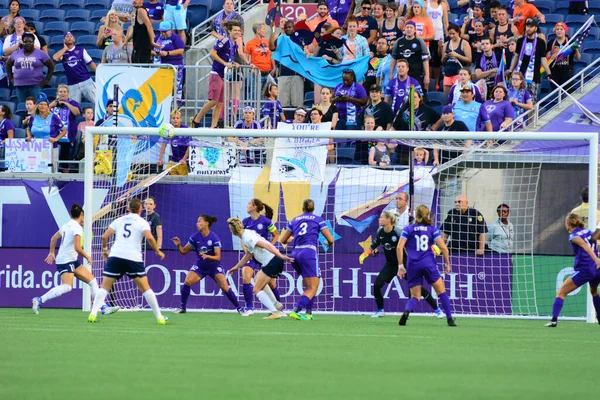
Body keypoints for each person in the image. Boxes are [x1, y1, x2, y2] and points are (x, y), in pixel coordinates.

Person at [88, 198, 167, 324]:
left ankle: (93, 314)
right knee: (146, 288)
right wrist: (158, 251)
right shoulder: (142, 222)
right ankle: (159, 317)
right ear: (141, 209)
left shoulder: (119, 220)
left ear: (128, 209)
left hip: (116, 256)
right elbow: (150, 238)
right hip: (133, 258)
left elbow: (104, 236)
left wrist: (105, 250)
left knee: (104, 287)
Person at [32, 204, 119, 315]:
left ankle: (103, 307)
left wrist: (52, 252)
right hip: (66, 260)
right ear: (82, 214)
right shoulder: (77, 228)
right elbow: (77, 247)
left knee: (92, 280)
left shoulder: (67, 225)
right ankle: (39, 300)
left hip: (71, 260)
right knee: (67, 287)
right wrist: (87, 256)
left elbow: (53, 238)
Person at [397, 205, 456, 327]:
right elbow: (444, 247)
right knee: (441, 291)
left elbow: (399, 247)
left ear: (416, 215)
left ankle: (407, 312)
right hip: (428, 264)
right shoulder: (432, 230)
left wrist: (400, 265)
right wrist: (447, 264)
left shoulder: (408, 229)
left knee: (415, 296)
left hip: (413, 264)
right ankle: (450, 319)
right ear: (428, 215)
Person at [172, 215, 243, 314]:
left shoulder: (214, 238)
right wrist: (179, 245)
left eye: (199, 221)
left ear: (206, 223)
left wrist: (207, 256)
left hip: (214, 266)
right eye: (197, 222)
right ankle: (182, 307)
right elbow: (183, 251)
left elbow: (218, 257)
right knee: (187, 281)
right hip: (200, 266)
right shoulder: (195, 237)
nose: (197, 223)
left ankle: (239, 308)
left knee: (225, 287)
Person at [279, 199, 335, 321]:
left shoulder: (295, 220)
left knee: (312, 283)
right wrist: (328, 244)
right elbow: (331, 240)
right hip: (308, 252)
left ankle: (309, 313)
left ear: (302, 208)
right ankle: (296, 310)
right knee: (312, 287)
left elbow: (283, 240)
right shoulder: (318, 219)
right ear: (313, 208)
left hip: (295, 253)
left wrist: (294, 239)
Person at [227, 218, 293, 319]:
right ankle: (275, 304)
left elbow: (267, 245)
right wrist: (236, 267)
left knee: (257, 289)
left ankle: (275, 312)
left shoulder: (247, 238)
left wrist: (281, 256)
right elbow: (248, 255)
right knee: (257, 279)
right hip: (271, 261)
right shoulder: (246, 233)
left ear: (233, 231)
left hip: (272, 261)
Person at [546, 213, 600, 327]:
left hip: (586, 269)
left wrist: (596, 259)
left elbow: (586, 246)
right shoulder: (588, 231)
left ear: (567, 223)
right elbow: (594, 242)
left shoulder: (574, 236)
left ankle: (554, 320)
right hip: (597, 270)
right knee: (594, 291)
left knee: (561, 292)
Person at [234, 199, 281, 316]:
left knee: (272, 284)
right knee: (246, 277)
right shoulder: (245, 222)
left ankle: (278, 309)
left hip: (264, 256)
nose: (247, 205)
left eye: (249, 204)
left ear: (254, 207)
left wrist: (270, 247)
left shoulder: (266, 221)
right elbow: (242, 239)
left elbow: (276, 235)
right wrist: (247, 251)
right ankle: (249, 308)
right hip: (251, 255)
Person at [192, 21, 242, 129]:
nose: (237, 32)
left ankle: (213, 127)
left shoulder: (235, 45)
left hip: (224, 75)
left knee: (220, 102)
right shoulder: (224, 40)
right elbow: (212, 53)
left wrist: (234, 64)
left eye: (239, 30)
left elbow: (228, 59)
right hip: (217, 73)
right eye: (235, 30)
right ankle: (197, 118)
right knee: (214, 100)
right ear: (229, 31)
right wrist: (224, 64)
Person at [508, 18, 552, 104]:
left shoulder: (540, 42)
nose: (528, 28)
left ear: (536, 28)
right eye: (527, 26)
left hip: (534, 77)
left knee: (532, 102)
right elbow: (516, 56)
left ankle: (532, 118)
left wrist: (549, 73)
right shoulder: (520, 41)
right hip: (520, 76)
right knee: (517, 99)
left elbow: (543, 58)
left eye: (531, 26)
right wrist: (510, 70)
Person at [6, 32, 52, 105]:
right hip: (20, 85)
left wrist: (47, 80)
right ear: (22, 42)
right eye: (26, 41)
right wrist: (11, 78)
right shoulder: (16, 53)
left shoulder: (40, 53)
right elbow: (8, 65)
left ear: (33, 42)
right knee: (23, 106)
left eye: (30, 42)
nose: (28, 43)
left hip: (35, 85)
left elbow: (51, 66)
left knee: (36, 106)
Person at [52, 32, 97, 104]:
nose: (69, 38)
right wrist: (64, 49)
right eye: (67, 36)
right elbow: (55, 58)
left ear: (74, 39)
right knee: (73, 107)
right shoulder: (62, 53)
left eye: (71, 36)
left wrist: (99, 73)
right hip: (72, 84)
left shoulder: (81, 50)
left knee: (96, 101)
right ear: (64, 40)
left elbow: (91, 64)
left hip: (85, 80)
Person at [26, 93, 67, 171]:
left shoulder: (53, 117)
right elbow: (28, 128)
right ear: (37, 106)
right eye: (41, 104)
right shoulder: (33, 117)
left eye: (45, 104)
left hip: (51, 147)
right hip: (36, 147)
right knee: (36, 168)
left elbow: (64, 131)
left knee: (52, 169)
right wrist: (29, 136)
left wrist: (56, 139)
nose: (43, 106)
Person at [269, 19, 304, 109]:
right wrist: (272, 31)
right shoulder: (281, 39)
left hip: (297, 74)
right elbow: (272, 47)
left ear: (294, 28)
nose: (288, 29)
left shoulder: (299, 38)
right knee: (283, 104)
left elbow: (301, 52)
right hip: (283, 74)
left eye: (290, 27)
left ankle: (296, 122)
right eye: (286, 28)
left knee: (297, 103)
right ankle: (284, 122)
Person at [389, 21, 430, 90]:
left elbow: (425, 60)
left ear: (415, 30)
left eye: (411, 27)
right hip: (402, 74)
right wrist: (391, 73)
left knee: (415, 95)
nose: (409, 29)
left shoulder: (419, 41)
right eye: (407, 27)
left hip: (416, 74)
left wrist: (427, 75)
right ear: (404, 29)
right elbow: (394, 58)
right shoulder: (399, 41)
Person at [50, 85, 81, 169]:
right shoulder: (55, 103)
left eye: (64, 92)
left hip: (68, 133)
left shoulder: (73, 102)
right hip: (55, 134)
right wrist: (52, 104)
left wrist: (66, 104)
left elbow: (77, 113)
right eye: (60, 92)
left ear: (68, 93)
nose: (62, 94)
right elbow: (44, 111)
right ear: (57, 93)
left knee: (65, 155)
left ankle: (65, 175)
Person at [154, 21, 185, 104]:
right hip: (161, 65)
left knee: (175, 85)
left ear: (170, 30)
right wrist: (157, 53)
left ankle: (175, 102)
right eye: (161, 31)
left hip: (175, 64)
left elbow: (181, 50)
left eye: (165, 31)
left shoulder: (175, 38)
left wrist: (168, 53)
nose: (163, 33)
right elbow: (151, 50)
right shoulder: (157, 38)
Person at [546, 22, 581, 88]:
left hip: (567, 71)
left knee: (567, 91)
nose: (559, 31)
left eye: (561, 29)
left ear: (565, 31)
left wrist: (576, 49)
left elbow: (578, 58)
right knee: (555, 92)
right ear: (555, 31)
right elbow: (547, 58)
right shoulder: (551, 43)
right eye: (557, 29)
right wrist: (551, 57)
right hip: (554, 71)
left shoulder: (571, 42)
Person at [245, 22, 275, 95]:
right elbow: (246, 59)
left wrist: (274, 67)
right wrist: (250, 68)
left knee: (267, 95)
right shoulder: (250, 43)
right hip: (256, 73)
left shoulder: (267, 42)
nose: (265, 31)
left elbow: (271, 55)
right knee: (254, 95)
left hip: (268, 73)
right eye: (263, 29)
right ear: (258, 31)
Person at [441, 24, 472, 93]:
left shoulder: (464, 43)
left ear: (458, 32)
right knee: (447, 97)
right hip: (448, 74)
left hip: (459, 74)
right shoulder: (446, 44)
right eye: (450, 34)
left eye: (453, 34)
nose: (451, 36)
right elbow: (442, 61)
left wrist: (457, 55)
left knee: (459, 95)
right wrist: (446, 56)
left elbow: (469, 60)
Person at [158, 110, 189, 175]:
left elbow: (190, 146)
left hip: (183, 162)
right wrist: (160, 158)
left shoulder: (185, 129)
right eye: (173, 118)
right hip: (173, 161)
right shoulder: (169, 129)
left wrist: (184, 159)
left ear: (181, 119)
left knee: (183, 182)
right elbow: (164, 145)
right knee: (168, 177)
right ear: (171, 120)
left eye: (177, 118)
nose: (175, 120)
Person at [127, 0, 158, 64]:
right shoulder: (136, 12)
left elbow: (149, 25)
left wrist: (152, 40)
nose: (134, 1)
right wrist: (126, 40)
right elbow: (136, 30)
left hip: (143, 49)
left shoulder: (141, 10)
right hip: (137, 48)